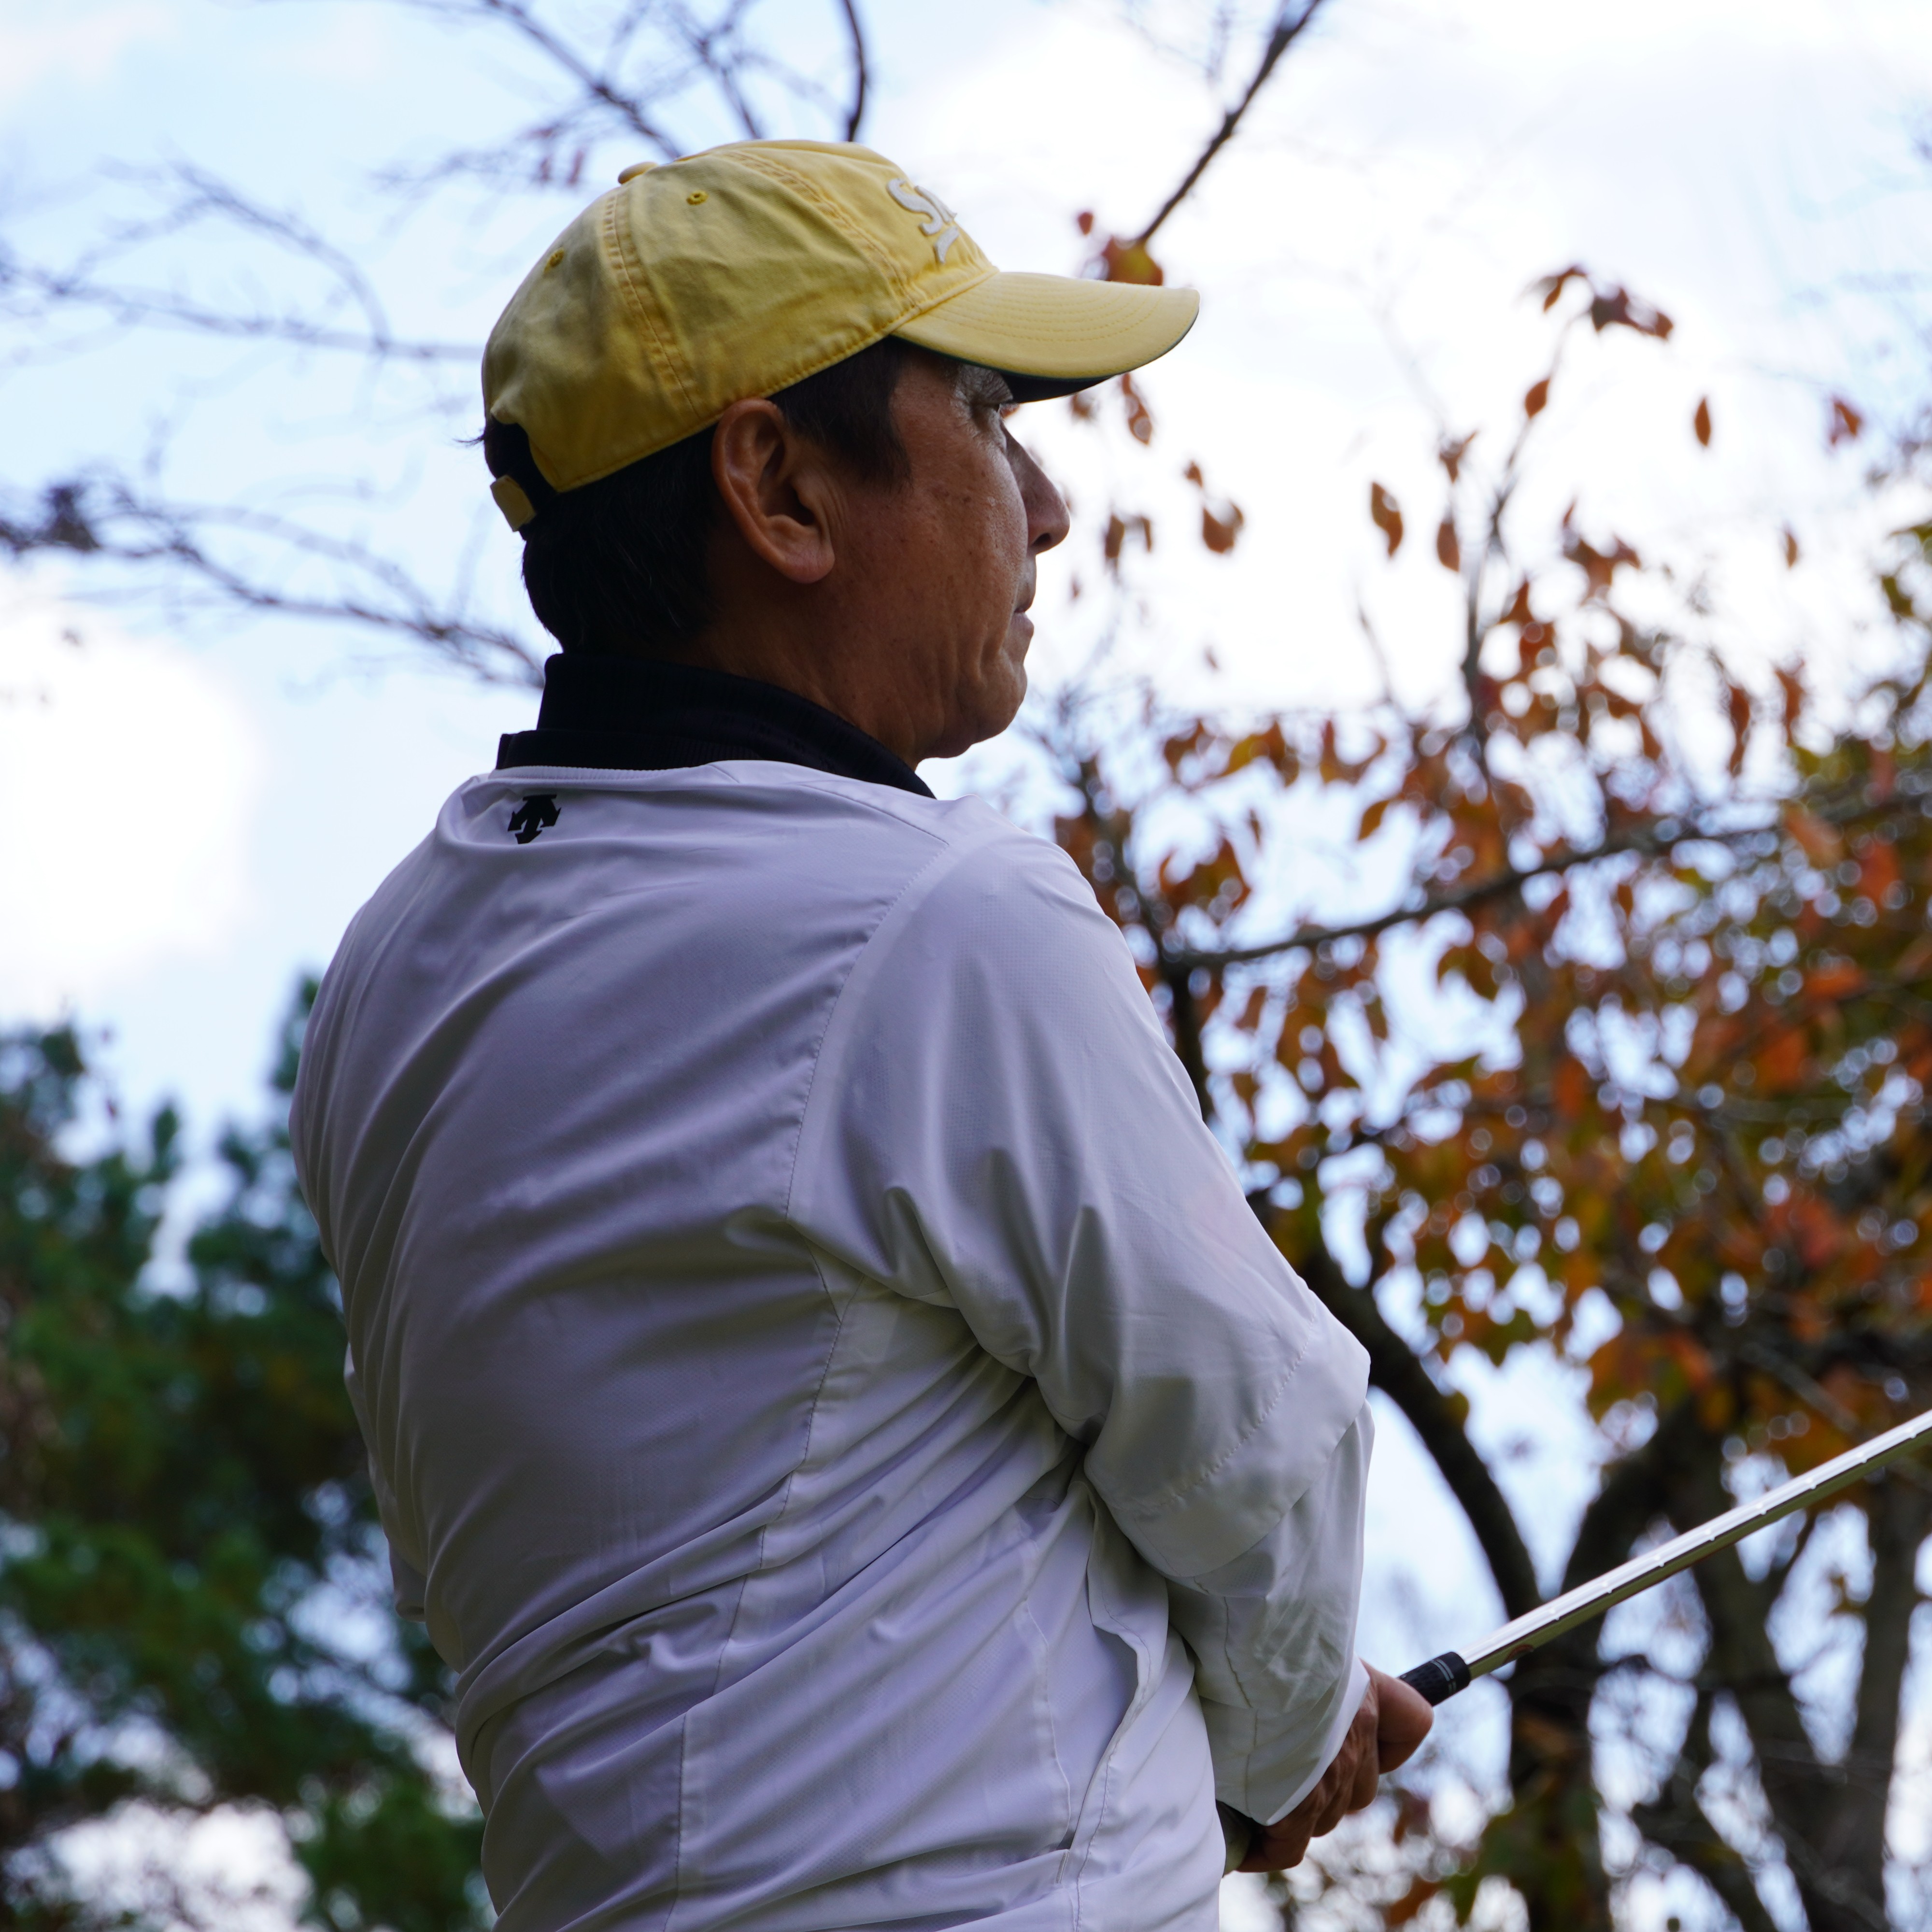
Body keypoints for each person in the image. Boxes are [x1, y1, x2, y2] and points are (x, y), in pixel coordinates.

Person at [290, 138, 1430, 1932]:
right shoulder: (939, 924)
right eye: (986, 417)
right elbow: (1258, 1448)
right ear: (780, 490)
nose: (1045, 506)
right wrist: (1280, 1739)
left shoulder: (387, 985)